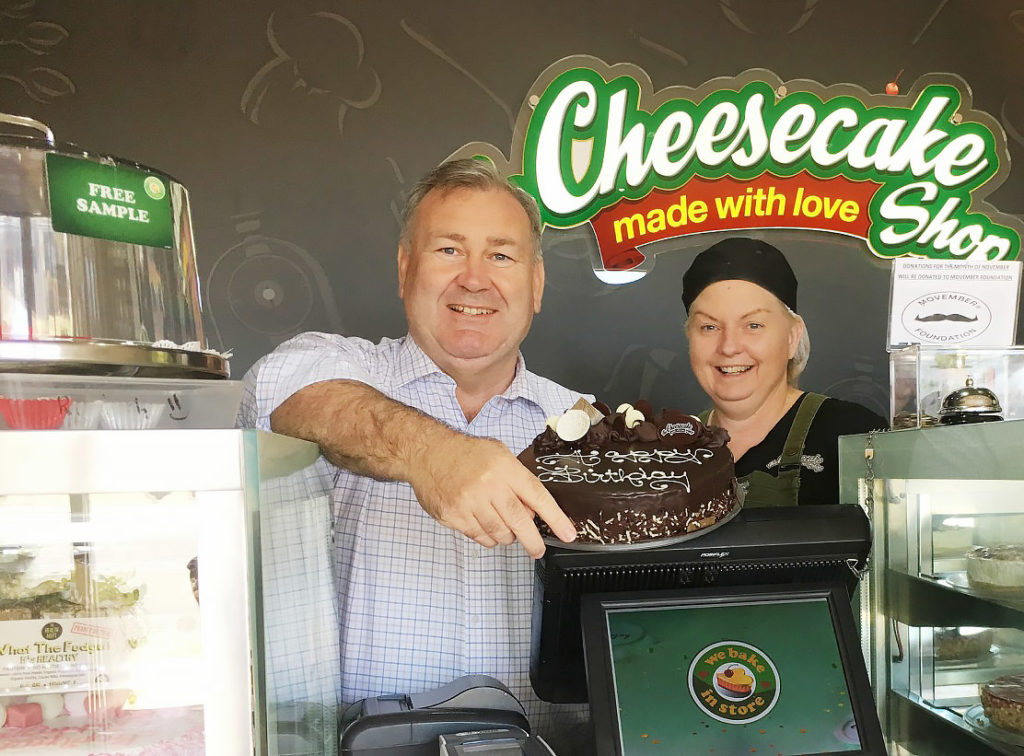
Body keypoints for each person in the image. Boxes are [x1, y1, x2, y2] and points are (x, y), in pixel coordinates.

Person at [237, 158, 589, 744]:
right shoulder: (344, 370)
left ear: (537, 283)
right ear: (405, 269)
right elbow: (276, 391)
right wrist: (433, 453)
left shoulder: (583, 422)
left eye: (501, 255)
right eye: (449, 250)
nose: (475, 279)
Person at [681, 237, 887, 507]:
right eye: (709, 327)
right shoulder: (673, 449)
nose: (729, 347)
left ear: (792, 337)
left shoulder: (853, 435)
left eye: (753, 325)